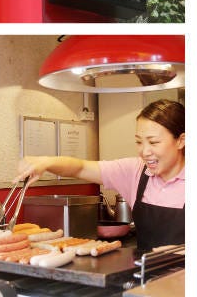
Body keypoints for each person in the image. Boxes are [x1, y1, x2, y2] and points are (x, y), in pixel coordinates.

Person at [15, 99, 184, 251]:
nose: (145, 151)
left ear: (181, 141)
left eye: (154, 142)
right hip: (146, 278)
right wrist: (45, 162)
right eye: (139, 142)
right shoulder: (136, 171)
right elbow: (80, 168)